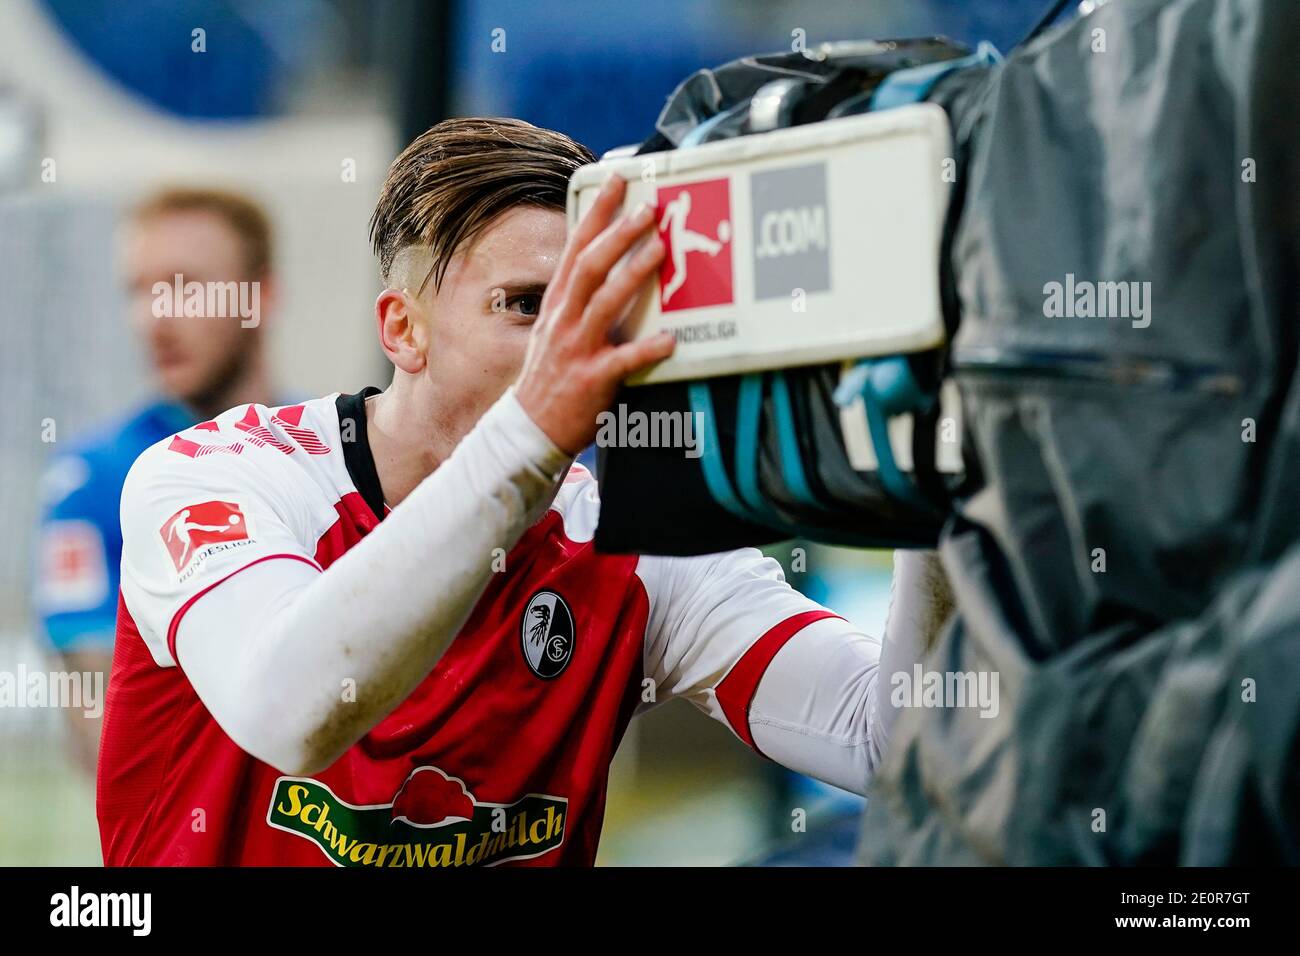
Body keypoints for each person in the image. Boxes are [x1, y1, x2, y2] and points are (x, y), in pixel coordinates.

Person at [98, 118, 947, 867]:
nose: (568, 341)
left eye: (589, 308)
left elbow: (900, 748)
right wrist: (537, 428)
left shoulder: (633, 549)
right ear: (403, 330)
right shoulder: (214, 474)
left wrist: (930, 490)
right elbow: (292, 714)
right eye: (528, 305)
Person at [34, 187, 282, 774]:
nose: (155, 317)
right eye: (139, 291)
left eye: (184, 286)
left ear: (261, 297)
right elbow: (105, 739)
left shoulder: (331, 449)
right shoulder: (91, 481)